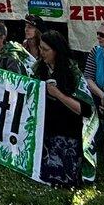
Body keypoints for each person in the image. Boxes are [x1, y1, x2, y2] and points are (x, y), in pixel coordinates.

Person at [33, 31, 90, 187]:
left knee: (63, 178)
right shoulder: (39, 68)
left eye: (46, 50)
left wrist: (58, 94)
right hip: (45, 128)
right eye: (40, 48)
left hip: (67, 130)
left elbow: (83, 109)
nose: (41, 53)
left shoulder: (72, 72)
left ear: (56, 50)